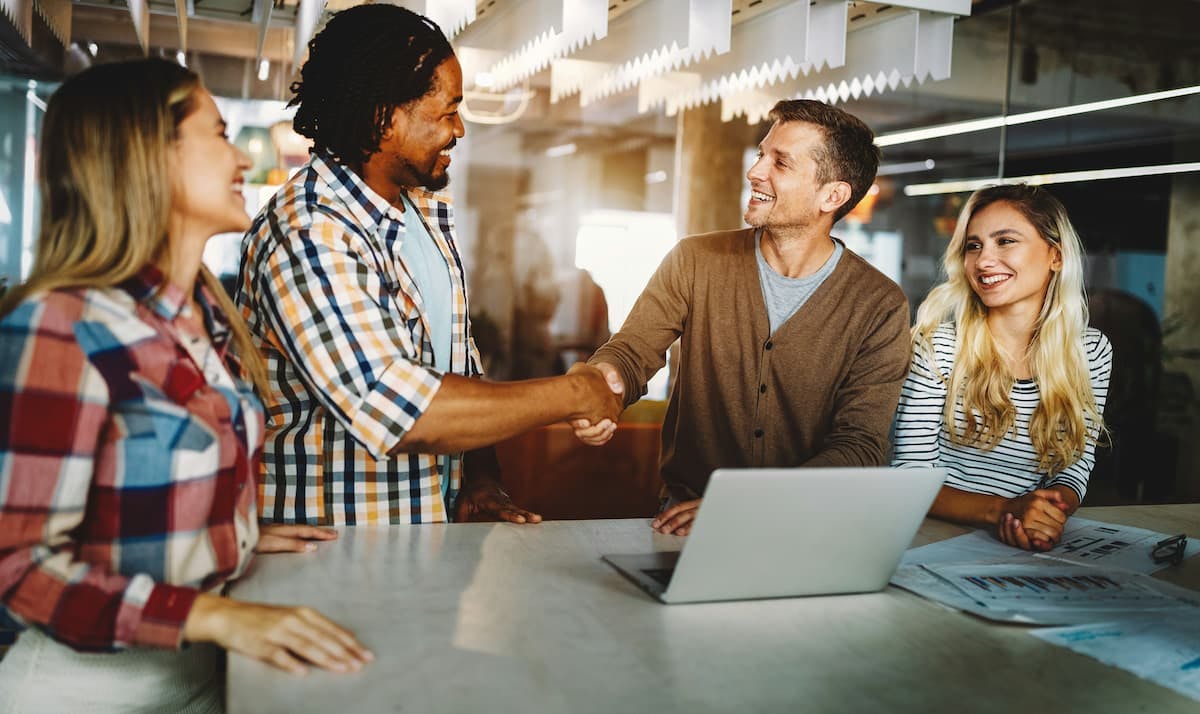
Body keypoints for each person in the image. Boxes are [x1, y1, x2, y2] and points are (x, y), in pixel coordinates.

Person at [0, 60, 370, 712]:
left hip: (201, 678)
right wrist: (211, 614)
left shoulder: (202, 315)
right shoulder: (63, 326)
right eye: (221, 133)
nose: (242, 157)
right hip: (85, 695)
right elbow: (15, 568)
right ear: (148, 153)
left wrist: (232, 531)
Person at [237, 5, 621, 527]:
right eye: (446, 111)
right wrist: (574, 392)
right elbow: (396, 407)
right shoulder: (309, 231)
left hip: (420, 540)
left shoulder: (421, 210)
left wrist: (480, 477)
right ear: (384, 117)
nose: (459, 128)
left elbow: (458, 368)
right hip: (332, 553)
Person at [574, 99, 911, 535]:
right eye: (760, 155)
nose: (755, 172)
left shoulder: (879, 305)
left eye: (781, 162)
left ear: (833, 195)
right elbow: (632, 350)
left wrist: (748, 506)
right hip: (685, 521)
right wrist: (606, 385)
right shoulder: (696, 259)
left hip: (804, 526)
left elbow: (860, 445)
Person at [892, 184, 1112, 551]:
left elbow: (1073, 467)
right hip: (931, 539)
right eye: (973, 246)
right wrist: (1006, 511)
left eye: (1005, 241)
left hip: (1027, 542)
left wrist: (1046, 514)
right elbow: (910, 479)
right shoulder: (937, 346)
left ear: (1055, 256)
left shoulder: (1091, 351)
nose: (983, 260)